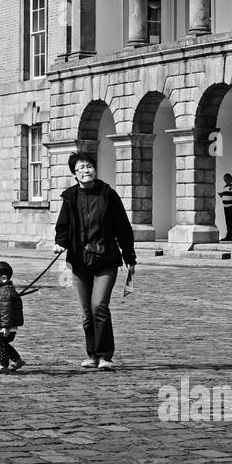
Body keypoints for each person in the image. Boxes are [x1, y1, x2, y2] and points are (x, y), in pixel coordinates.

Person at [53, 151, 137, 370]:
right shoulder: (70, 197)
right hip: (80, 261)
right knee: (87, 313)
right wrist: (60, 242)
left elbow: (123, 228)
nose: (85, 170)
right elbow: (62, 226)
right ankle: (92, 355)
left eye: (89, 165)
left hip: (106, 258)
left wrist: (130, 257)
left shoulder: (108, 194)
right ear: (74, 174)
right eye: (80, 167)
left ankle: (106, 356)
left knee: (99, 305)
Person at [0, 261, 25, 375]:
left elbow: (6, 311)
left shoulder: (4, 292)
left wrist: (6, 327)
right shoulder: (3, 290)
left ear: (3, 278)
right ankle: (17, 360)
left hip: (6, 326)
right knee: (4, 345)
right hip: (4, 325)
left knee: (2, 346)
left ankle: (3, 365)